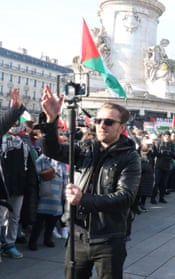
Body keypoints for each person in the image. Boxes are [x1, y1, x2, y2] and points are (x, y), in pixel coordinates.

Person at [40, 85, 141, 279]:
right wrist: (51, 121)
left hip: (109, 238)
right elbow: (53, 151)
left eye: (109, 122)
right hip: (77, 235)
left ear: (121, 127)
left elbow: (125, 197)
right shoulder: (86, 147)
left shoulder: (130, 156)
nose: (102, 125)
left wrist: (83, 199)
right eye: (98, 120)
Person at [0, 88, 28, 262]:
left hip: (19, 184)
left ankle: (9, 244)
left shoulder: (25, 142)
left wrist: (15, 109)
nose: (14, 125)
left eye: (17, 121)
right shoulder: (2, 139)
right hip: (3, 184)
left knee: (14, 216)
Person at [28, 154, 68, 251]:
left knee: (52, 221)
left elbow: (65, 179)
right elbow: (34, 174)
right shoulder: (43, 159)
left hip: (57, 195)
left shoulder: (62, 162)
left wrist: (64, 194)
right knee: (39, 221)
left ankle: (47, 239)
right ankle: (32, 242)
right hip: (44, 194)